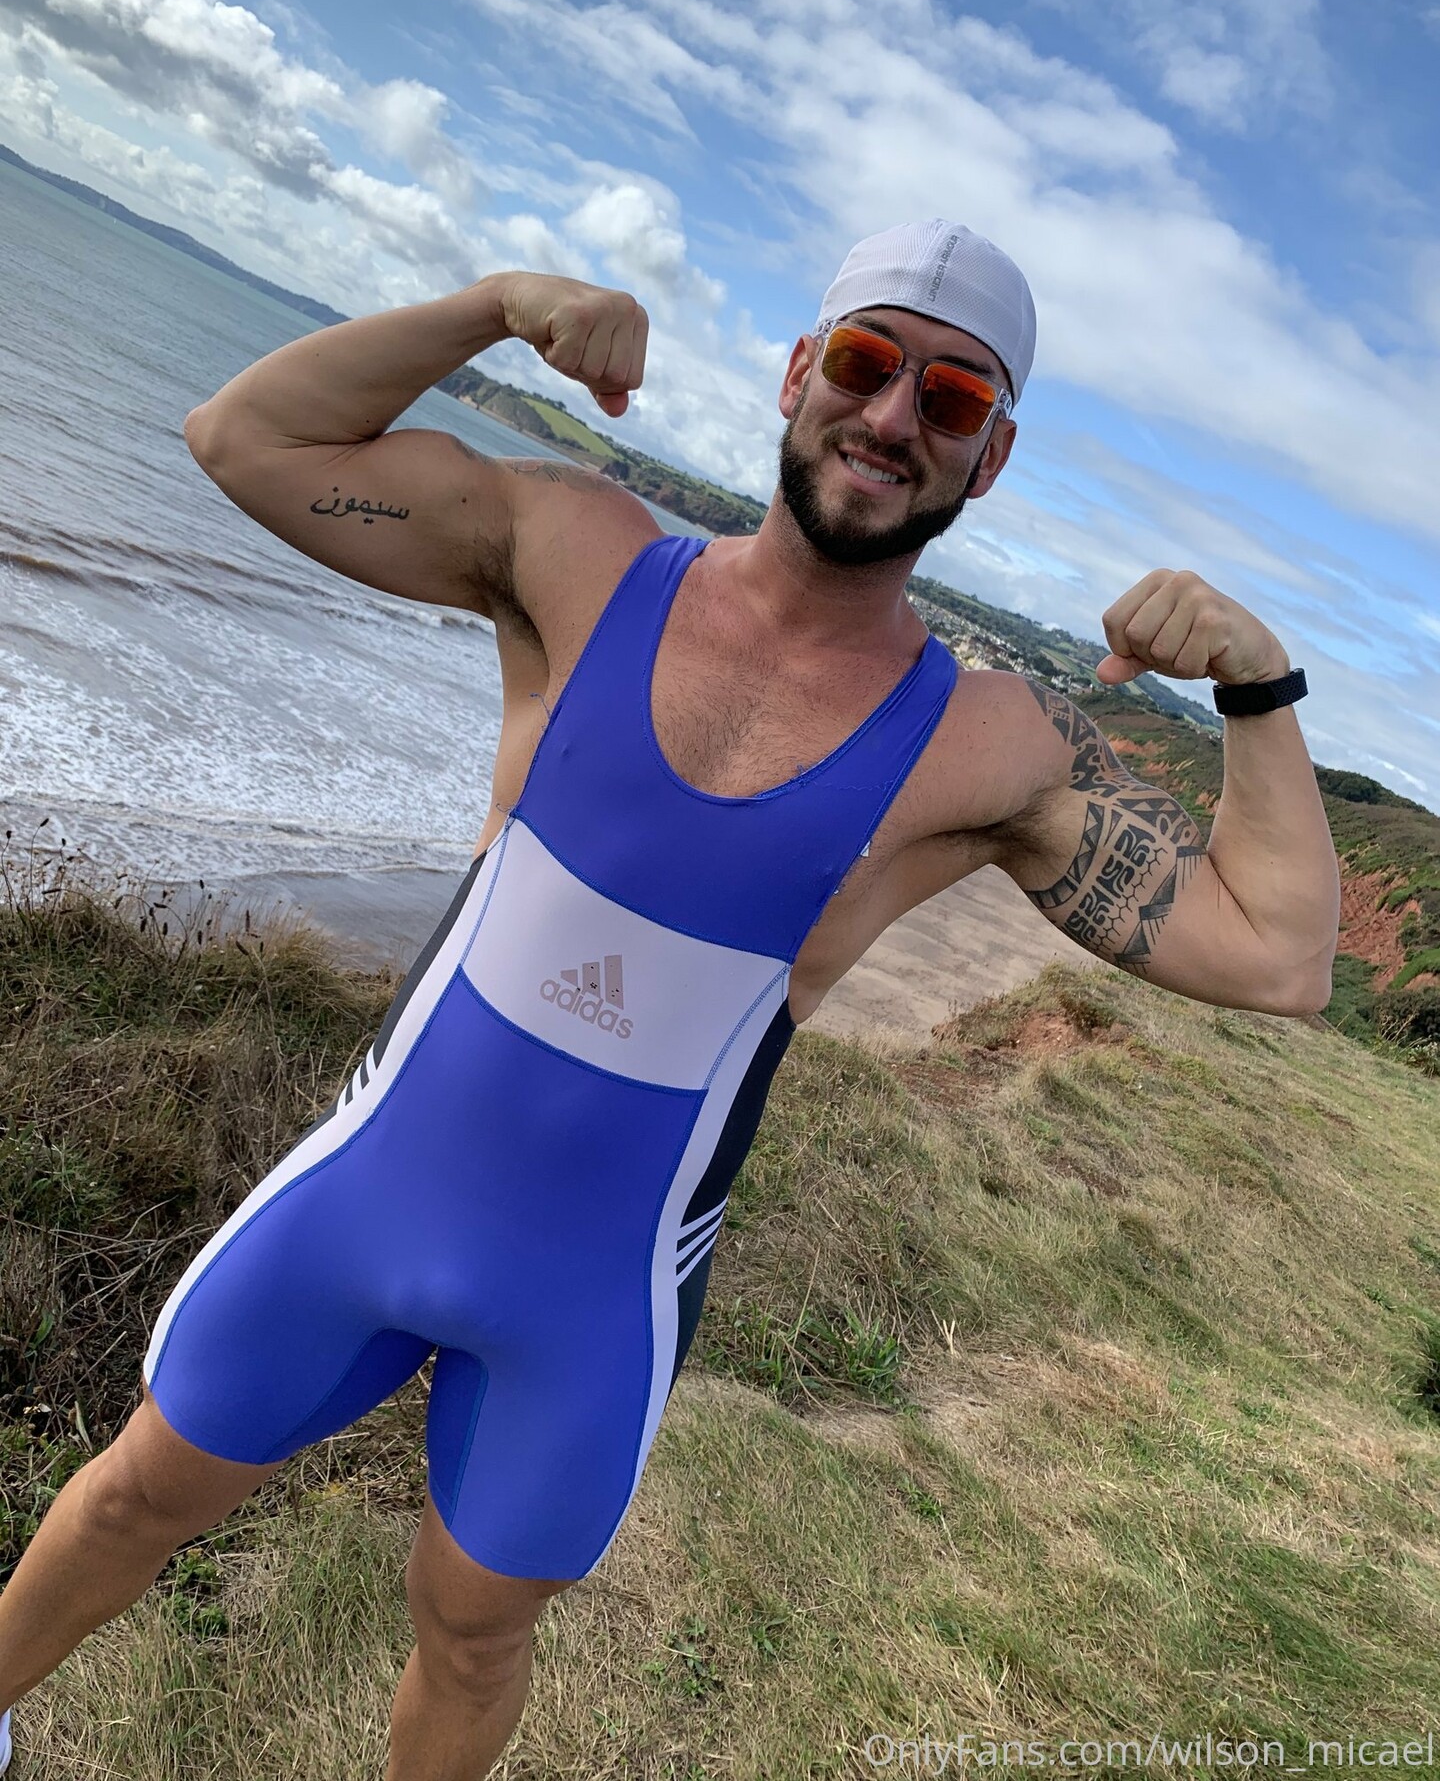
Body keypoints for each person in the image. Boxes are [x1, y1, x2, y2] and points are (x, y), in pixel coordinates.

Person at [0, 220, 1340, 1779]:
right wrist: (493, 309)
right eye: (866, 363)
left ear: (992, 456)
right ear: (798, 373)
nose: (893, 416)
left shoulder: (986, 745)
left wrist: (1259, 685)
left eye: (954, 398)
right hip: (360, 1207)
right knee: (139, 1494)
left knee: (473, 1632)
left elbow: (1279, 953)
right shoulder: (573, 553)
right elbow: (244, 438)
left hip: (590, 1304)